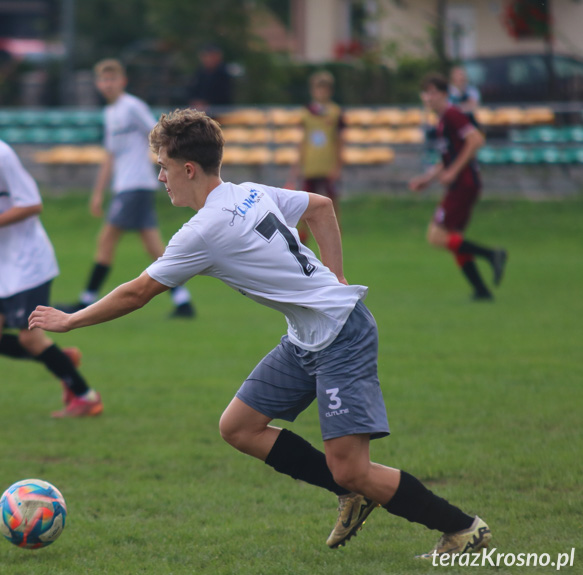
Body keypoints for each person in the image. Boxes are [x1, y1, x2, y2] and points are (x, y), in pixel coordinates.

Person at [30, 108, 492, 558]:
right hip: (306, 337)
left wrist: (70, 320)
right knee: (239, 427)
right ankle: (351, 491)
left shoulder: (203, 231)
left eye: (163, 167)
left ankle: (462, 528)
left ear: (188, 168)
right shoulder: (246, 191)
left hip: (341, 336)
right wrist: (336, 278)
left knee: (352, 467)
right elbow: (321, 207)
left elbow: (137, 293)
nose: (160, 178)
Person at [0, 84, 102, 418]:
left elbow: (33, 204)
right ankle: (59, 357)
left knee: (31, 338)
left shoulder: (0, 155)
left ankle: (85, 397)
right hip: (0, 268)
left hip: (27, 262)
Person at [58, 59, 195, 318]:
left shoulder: (132, 107)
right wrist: (98, 192)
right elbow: (110, 156)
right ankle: (183, 302)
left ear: (123, 81)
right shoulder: (110, 113)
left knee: (106, 239)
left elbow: (159, 134)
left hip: (136, 185)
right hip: (126, 187)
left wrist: (168, 167)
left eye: (112, 79)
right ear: (98, 84)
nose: (107, 85)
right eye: (103, 80)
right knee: (154, 248)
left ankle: (86, 300)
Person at [409, 73, 507, 301]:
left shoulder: (453, 114)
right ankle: (481, 291)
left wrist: (453, 172)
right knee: (454, 238)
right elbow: (448, 158)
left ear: (444, 94)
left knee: (436, 236)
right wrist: (428, 178)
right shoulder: (443, 121)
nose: (428, 97)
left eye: (433, 92)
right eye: (425, 92)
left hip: (464, 183)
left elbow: (476, 140)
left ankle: (492, 255)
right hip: (462, 182)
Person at [286, 70, 345, 243]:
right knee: (305, 201)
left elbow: (340, 141)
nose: (321, 93)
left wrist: (338, 166)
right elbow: (301, 141)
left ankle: (335, 235)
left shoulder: (335, 112)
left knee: (332, 201)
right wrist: (297, 165)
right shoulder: (305, 113)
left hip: (327, 164)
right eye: (318, 89)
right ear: (313, 91)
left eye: (325, 89)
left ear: (330, 91)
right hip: (310, 164)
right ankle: (304, 235)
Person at [187, 44, 233, 113]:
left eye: (211, 56)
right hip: (199, 110)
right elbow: (192, 90)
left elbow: (224, 94)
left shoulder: (224, 73)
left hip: (220, 111)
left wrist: (207, 103)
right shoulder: (199, 73)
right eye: (206, 56)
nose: (208, 59)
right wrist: (195, 102)